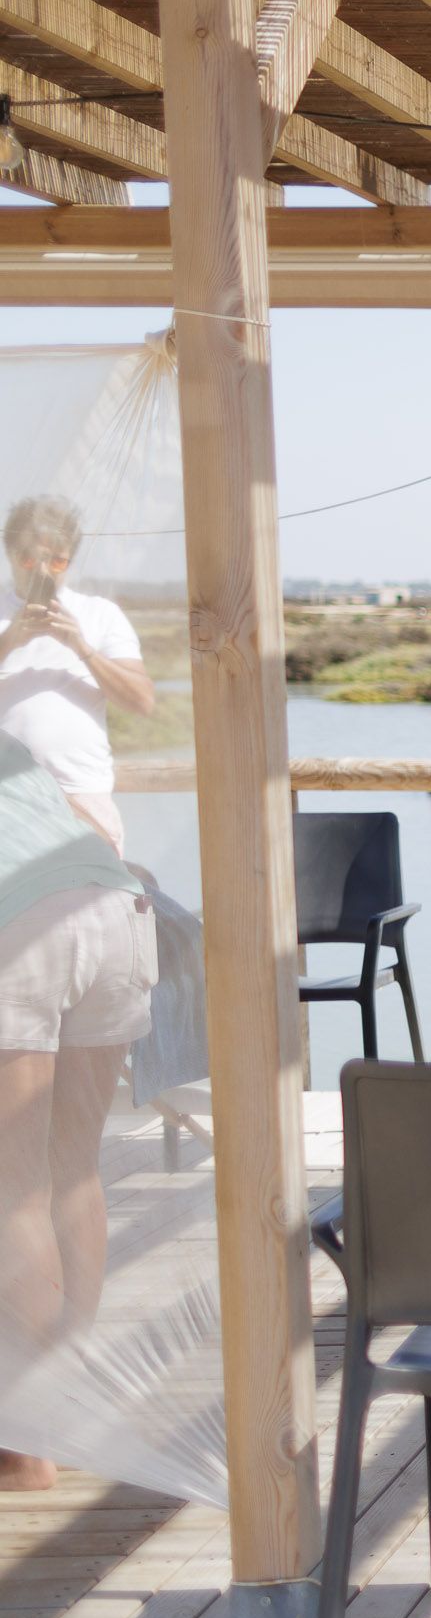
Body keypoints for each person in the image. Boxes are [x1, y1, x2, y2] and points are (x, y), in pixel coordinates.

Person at [0, 731, 156, 1491]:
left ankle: (25, 1449)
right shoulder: (10, 742)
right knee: (72, 1171)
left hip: (21, 925)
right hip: (115, 909)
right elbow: (87, 825)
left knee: (12, 1188)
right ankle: (65, 1409)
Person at [0, 496, 155, 854]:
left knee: (96, 903)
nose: (42, 571)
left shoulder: (100, 614)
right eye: (30, 558)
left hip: (82, 793)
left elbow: (142, 701)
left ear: (70, 560)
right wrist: (10, 640)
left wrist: (81, 646)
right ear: (10, 555)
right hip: (6, 799)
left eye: (56, 560)